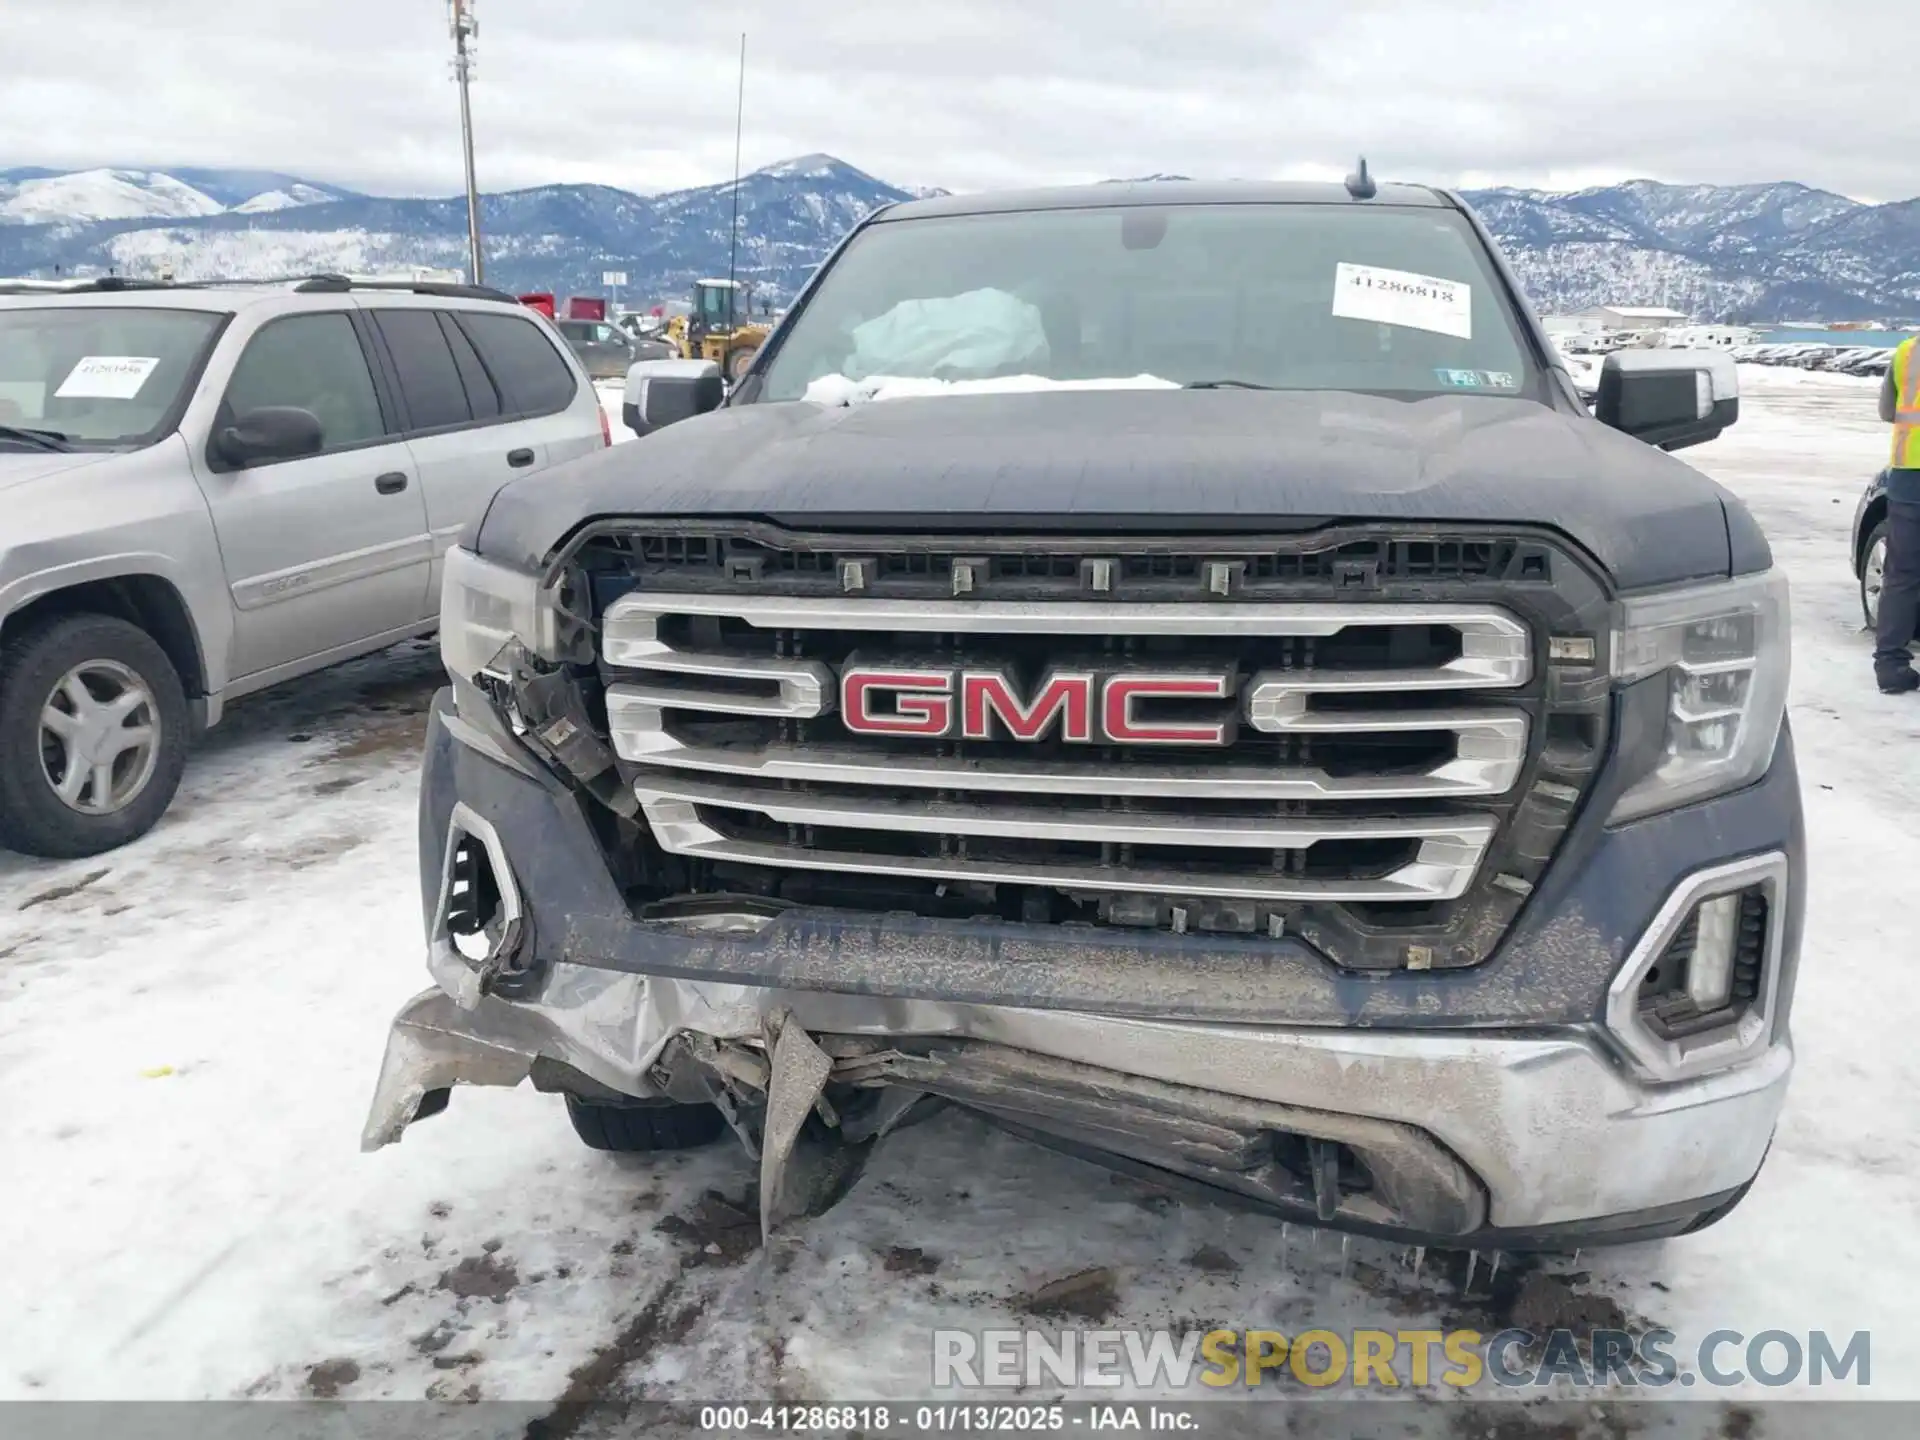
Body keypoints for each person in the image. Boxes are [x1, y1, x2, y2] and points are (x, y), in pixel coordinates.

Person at [1875, 334, 1920, 694]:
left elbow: (1888, 412)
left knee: (1902, 573)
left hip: (1909, 476)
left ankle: (1890, 665)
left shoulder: (1908, 350)